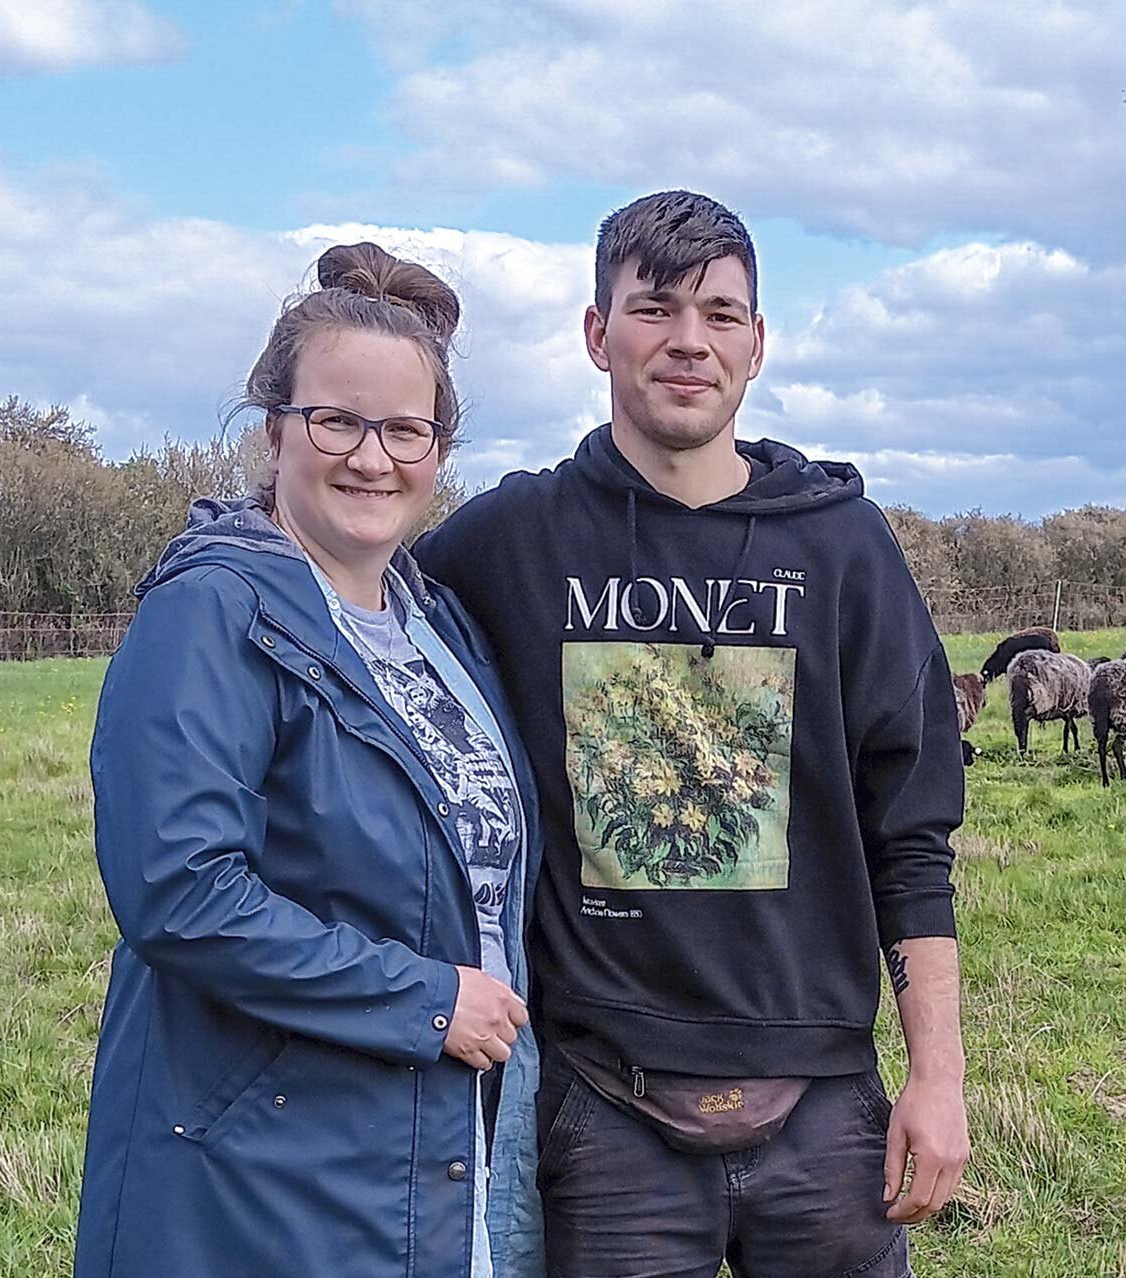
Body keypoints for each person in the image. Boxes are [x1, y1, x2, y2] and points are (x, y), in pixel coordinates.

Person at [415, 190, 969, 1277]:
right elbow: (356, 610)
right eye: (655, 308)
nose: (688, 341)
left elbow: (911, 836)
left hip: (823, 1102)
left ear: (757, 344)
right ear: (596, 333)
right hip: (604, 1104)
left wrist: (937, 1078)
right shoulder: (509, 541)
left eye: (721, 314)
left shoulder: (846, 551)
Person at [75, 243, 545, 1278]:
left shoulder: (438, 626)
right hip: (263, 1169)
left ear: (439, 446)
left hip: (431, 1147)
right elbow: (180, 892)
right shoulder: (212, 610)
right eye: (336, 420)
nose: (371, 458)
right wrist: (425, 1001)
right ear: (275, 426)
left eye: (405, 430)